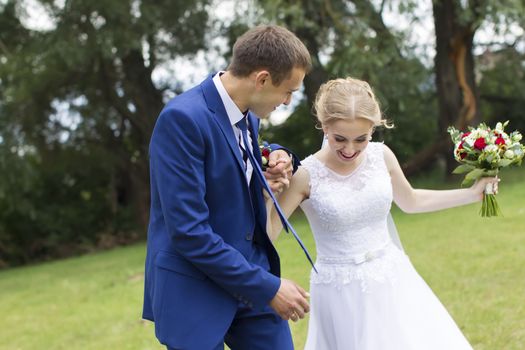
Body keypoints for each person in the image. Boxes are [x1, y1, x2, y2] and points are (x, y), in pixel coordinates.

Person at [266, 77, 500, 350]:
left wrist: (472, 194)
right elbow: (267, 234)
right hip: (340, 293)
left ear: (373, 129)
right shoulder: (305, 175)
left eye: (361, 139)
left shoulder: (382, 156)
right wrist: (266, 196)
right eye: (340, 139)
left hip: (393, 278)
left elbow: (410, 201)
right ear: (324, 126)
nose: (350, 149)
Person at [142, 25, 313, 350]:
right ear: (262, 79)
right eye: (287, 91)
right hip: (195, 291)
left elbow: (235, 160)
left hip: (251, 281)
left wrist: (276, 155)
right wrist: (269, 287)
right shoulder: (182, 120)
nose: (288, 101)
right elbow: (189, 232)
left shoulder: (247, 113)